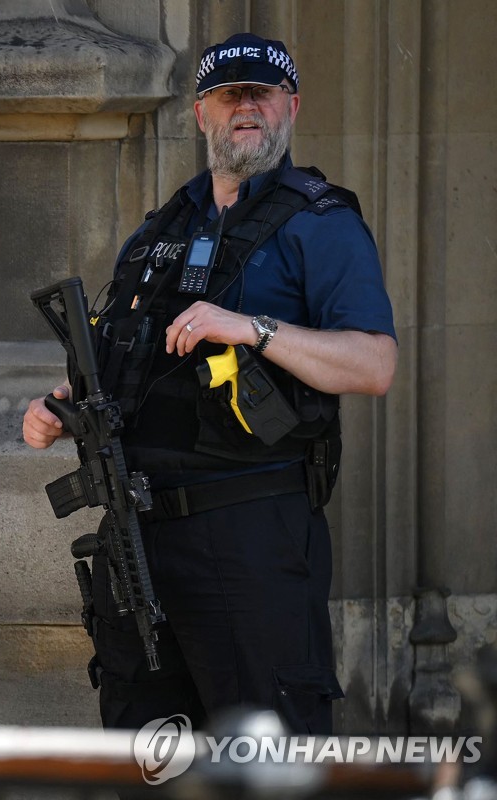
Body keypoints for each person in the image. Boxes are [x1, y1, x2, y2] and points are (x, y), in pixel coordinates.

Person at [22, 33, 397, 735]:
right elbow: (123, 355)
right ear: (202, 114)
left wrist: (252, 328)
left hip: (250, 535)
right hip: (138, 534)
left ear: (291, 106)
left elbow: (373, 365)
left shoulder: (321, 224)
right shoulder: (163, 226)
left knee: (270, 758)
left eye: (261, 94)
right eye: (230, 96)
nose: (245, 109)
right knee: (149, 754)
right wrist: (60, 401)